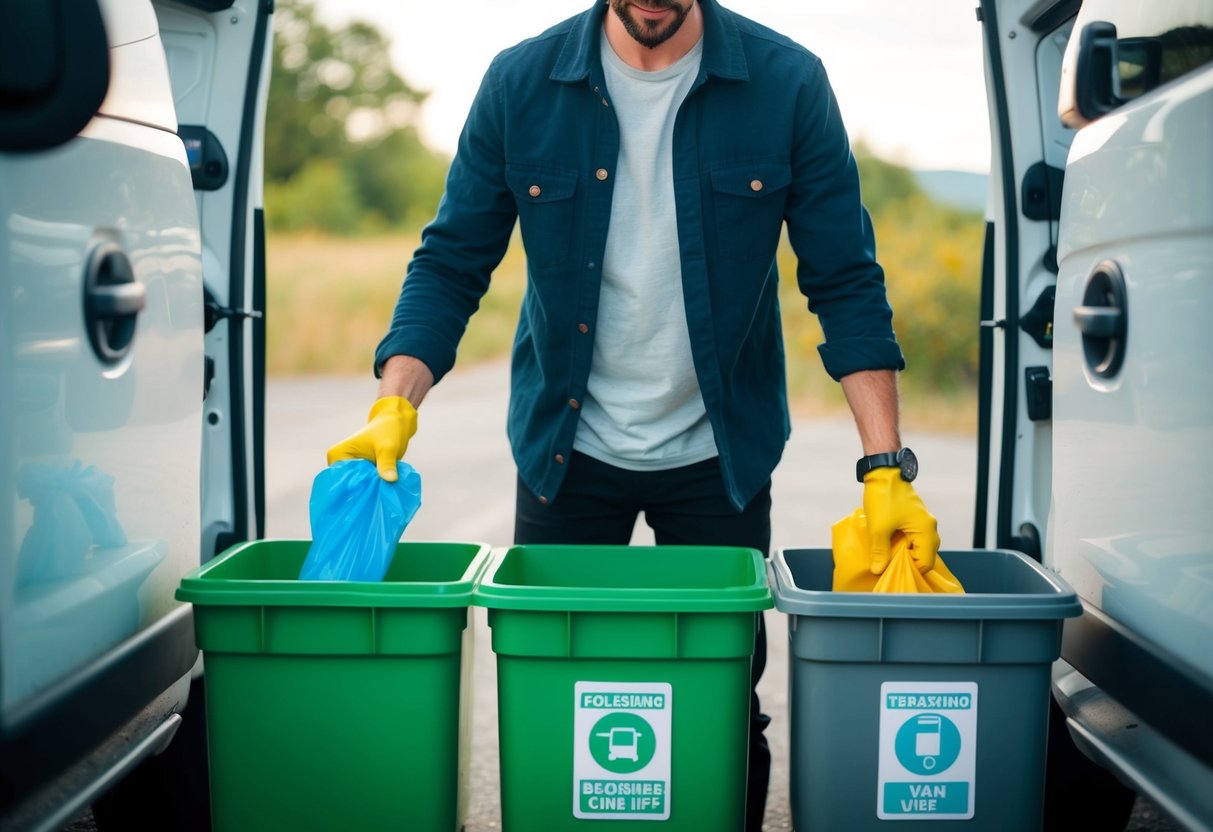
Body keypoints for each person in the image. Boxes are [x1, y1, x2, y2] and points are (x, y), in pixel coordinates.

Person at [327, 0, 941, 828]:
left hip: (718, 456)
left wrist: (883, 467)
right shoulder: (521, 82)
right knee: (560, 696)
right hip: (564, 452)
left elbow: (842, 277)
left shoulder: (786, 83)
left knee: (724, 706)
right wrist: (392, 407)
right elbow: (450, 261)